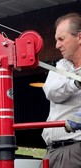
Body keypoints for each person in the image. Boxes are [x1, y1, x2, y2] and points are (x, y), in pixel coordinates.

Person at [41, 12, 81, 168]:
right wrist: (76, 83)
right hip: (53, 151)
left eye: (61, 39)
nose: (57, 45)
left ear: (79, 37)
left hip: (73, 149)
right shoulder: (61, 66)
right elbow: (50, 91)